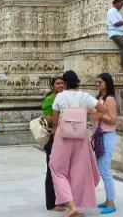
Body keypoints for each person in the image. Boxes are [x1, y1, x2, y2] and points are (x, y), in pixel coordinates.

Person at [50, 70, 109, 217]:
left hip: (63, 135)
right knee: (78, 170)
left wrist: (54, 136)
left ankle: (71, 206)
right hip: (80, 136)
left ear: (64, 83)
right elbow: (104, 109)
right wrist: (89, 114)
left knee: (57, 170)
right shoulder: (85, 96)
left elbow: (55, 121)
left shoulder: (60, 97)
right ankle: (74, 205)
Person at [94, 73, 120, 215]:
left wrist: (98, 114)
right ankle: (107, 199)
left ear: (106, 83)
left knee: (105, 169)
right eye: (96, 81)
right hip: (100, 136)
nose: (97, 84)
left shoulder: (110, 99)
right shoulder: (100, 98)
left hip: (108, 136)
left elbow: (113, 119)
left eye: (100, 81)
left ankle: (111, 202)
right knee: (102, 170)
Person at [43, 76, 66, 211]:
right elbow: (48, 118)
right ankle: (52, 202)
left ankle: (62, 198)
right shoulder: (49, 100)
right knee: (51, 169)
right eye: (58, 83)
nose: (60, 85)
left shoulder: (65, 98)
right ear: (52, 86)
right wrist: (62, 116)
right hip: (52, 136)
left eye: (62, 83)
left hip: (65, 136)